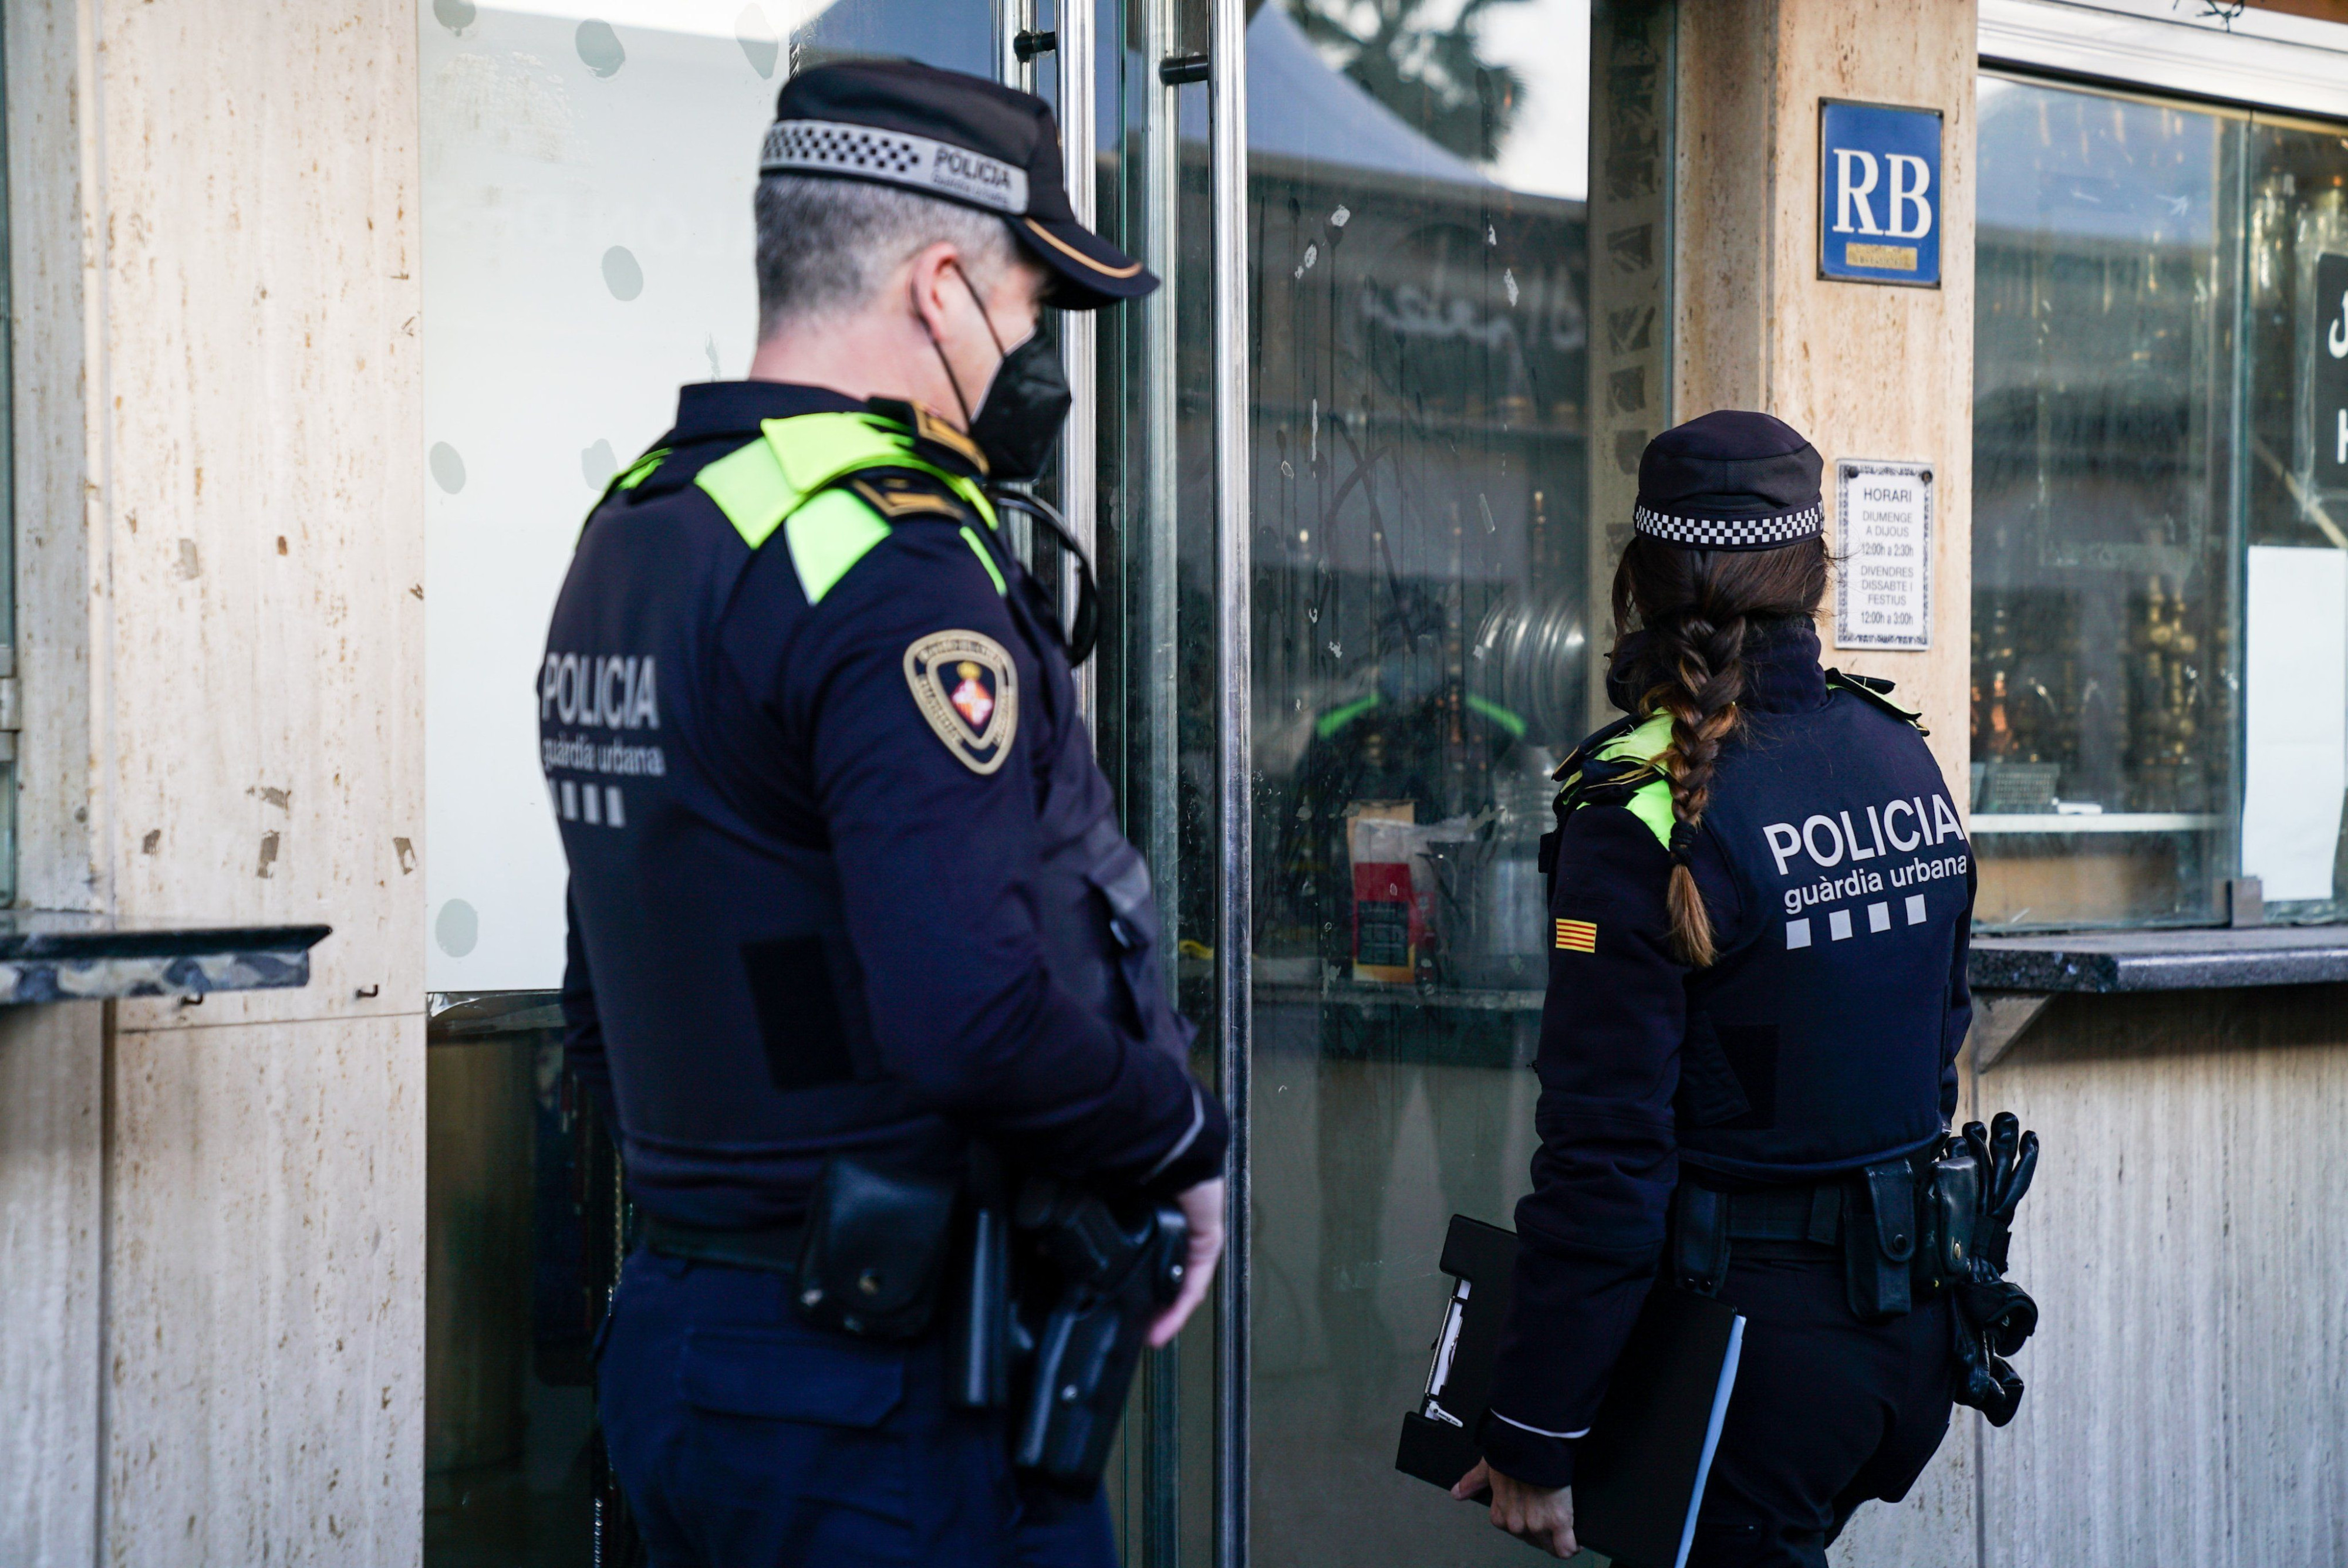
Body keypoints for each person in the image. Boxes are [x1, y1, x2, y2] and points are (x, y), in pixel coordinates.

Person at [541, 58, 1227, 1567]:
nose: (1032, 361)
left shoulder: (645, 530)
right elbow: (971, 1012)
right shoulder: (891, 568)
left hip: (686, 1344)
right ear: (939, 287)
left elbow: (606, 990)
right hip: (876, 1398)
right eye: (1032, 312)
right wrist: (1179, 1134)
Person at [1450, 411, 1977, 1564]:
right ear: (1814, 573)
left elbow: (1603, 1154)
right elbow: (1934, 1036)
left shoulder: (1638, 809)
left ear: (1633, 581)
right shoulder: (1898, 755)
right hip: (1905, 1336)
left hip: (1740, 1362)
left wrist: (1535, 1424)